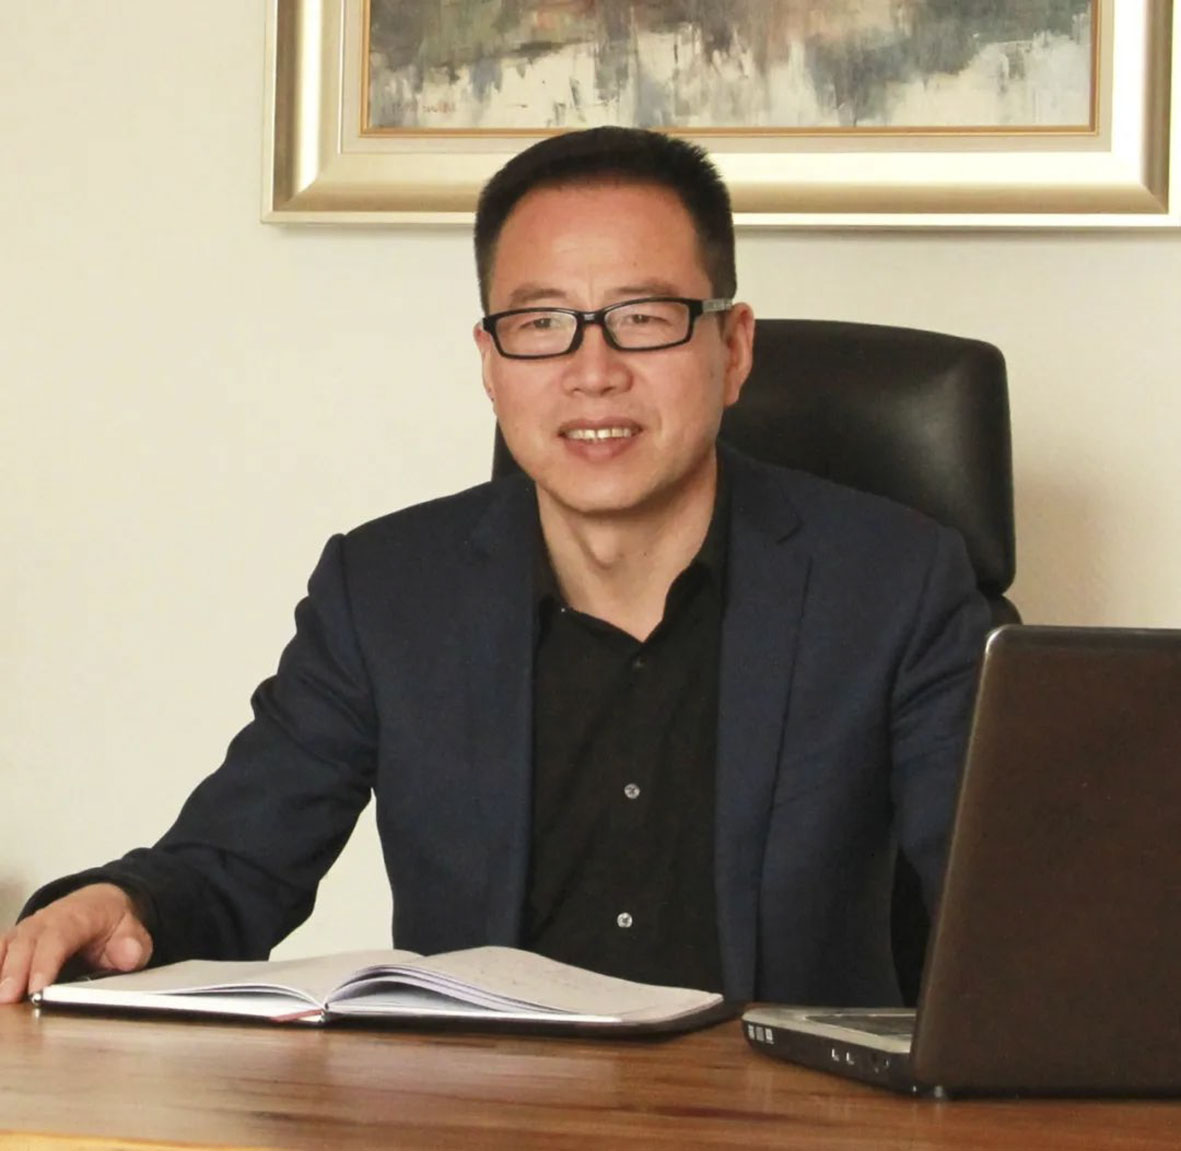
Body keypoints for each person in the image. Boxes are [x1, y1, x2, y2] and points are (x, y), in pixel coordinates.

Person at [0, 127, 990, 1007]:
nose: (592, 371)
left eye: (644, 315)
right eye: (540, 323)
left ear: (731, 348)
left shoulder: (893, 586)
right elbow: (229, 867)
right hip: (478, 1113)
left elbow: (1005, 907)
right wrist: (118, 904)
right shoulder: (385, 593)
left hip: (786, 1116)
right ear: (489, 361)